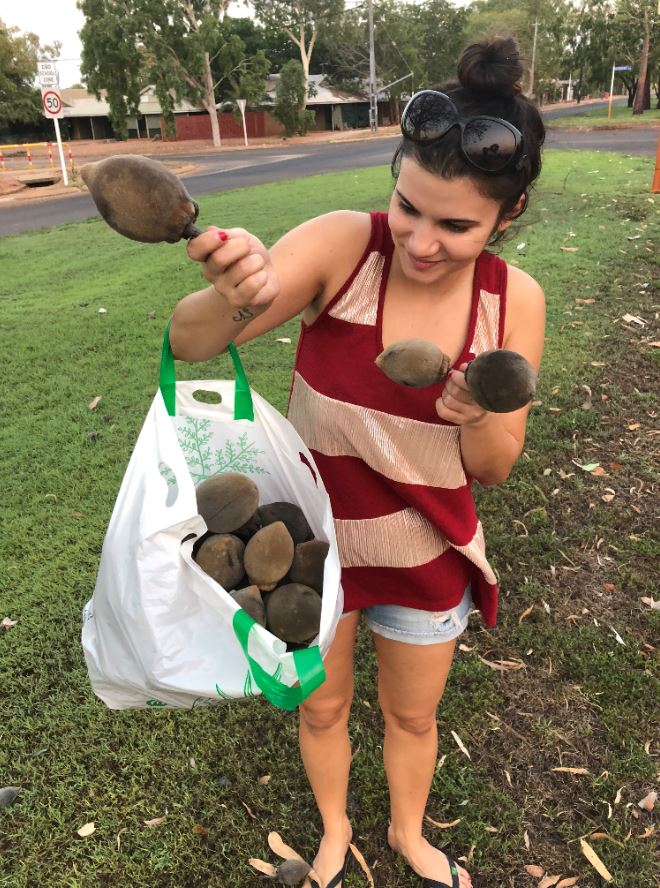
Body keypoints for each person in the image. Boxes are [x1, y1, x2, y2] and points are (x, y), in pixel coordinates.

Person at [170, 35, 546, 888]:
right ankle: (337, 830)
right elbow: (190, 343)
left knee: (412, 718)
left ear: (506, 217)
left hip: (425, 554)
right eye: (408, 206)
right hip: (315, 554)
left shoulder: (513, 302)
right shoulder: (345, 247)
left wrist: (473, 413)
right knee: (324, 706)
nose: (418, 240)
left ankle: (409, 835)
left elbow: (495, 466)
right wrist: (233, 289)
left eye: (456, 225)